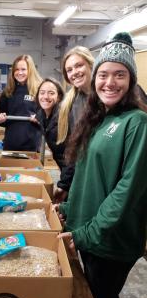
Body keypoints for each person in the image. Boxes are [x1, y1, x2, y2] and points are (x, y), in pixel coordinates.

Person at [58, 32, 147, 298]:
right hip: (92, 233)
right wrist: (69, 208)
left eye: (120, 75)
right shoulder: (99, 119)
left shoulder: (137, 122)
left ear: (131, 81)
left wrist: (86, 233)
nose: (110, 82)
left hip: (111, 240)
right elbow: (86, 176)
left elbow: (127, 190)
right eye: (105, 75)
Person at [53, 46, 94, 202]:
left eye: (79, 65)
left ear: (90, 64)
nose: (74, 72)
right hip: (83, 174)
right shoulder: (72, 103)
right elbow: (72, 147)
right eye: (69, 70)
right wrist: (65, 184)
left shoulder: (108, 95)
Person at [0, 54, 43, 151]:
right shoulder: (8, 92)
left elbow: (47, 117)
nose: (19, 73)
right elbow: (3, 118)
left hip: (31, 144)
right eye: (16, 69)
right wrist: (0, 119)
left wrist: (39, 119)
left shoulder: (40, 90)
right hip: (10, 143)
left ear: (30, 70)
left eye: (23, 69)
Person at [35, 77, 65, 167]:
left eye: (51, 93)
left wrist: (64, 180)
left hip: (73, 168)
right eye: (42, 92)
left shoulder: (62, 118)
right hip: (62, 164)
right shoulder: (42, 115)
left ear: (59, 97)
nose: (45, 97)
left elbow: (69, 156)